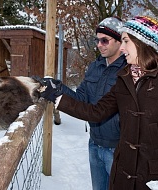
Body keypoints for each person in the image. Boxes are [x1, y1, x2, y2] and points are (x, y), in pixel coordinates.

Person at [40, 15, 158, 190]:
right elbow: (96, 112)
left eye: (125, 41)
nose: (122, 48)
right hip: (122, 174)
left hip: (153, 180)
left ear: (142, 43)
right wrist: (55, 94)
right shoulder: (125, 78)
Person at [44, 16, 126, 190]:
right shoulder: (94, 67)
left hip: (118, 150)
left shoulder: (128, 70)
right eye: (97, 40)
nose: (99, 45)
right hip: (94, 144)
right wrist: (56, 87)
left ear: (120, 42)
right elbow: (81, 99)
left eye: (105, 40)